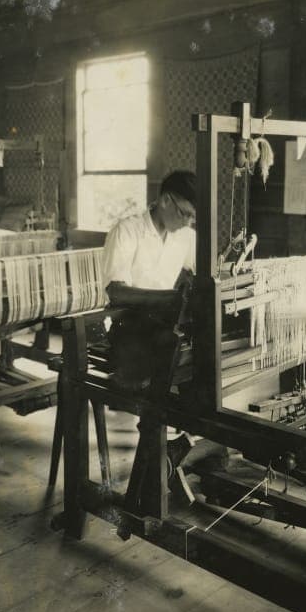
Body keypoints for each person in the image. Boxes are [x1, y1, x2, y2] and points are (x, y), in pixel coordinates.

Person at [101, 170, 205, 490]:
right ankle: (156, 458)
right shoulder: (128, 230)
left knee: (204, 359)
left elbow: (199, 274)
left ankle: (184, 446)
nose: (189, 222)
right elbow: (116, 292)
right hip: (128, 335)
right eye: (185, 214)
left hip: (161, 330)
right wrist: (169, 299)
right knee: (176, 360)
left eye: (193, 217)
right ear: (164, 201)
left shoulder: (184, 236)